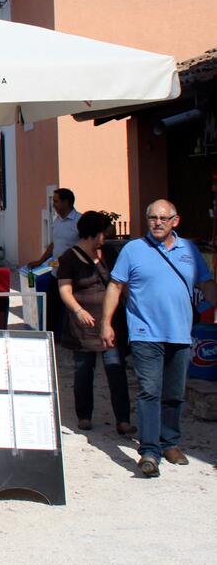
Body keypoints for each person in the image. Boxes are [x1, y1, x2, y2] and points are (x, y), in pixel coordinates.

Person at [102, 199, 217, 477]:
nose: (158, 222)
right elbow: (115, 287)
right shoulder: (133, 250)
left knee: (175, 394)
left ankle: (170, 443)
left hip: (180, 333)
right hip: (145, 333)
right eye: (153, 217)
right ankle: (150, 452)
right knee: (149, 390)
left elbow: (206, 284)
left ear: (175, 221)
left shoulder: (189, 250)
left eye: (164, 218)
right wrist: (106, 323)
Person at [55, 211, 133, 435]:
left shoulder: (109, 253)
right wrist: (78, 311)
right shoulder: (69, 258)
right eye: (102, 233)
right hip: (84, 325)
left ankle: (123, 419)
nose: (105, 238)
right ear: (92, 233)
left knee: (116, 369)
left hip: (110, 323)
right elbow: (65, 289)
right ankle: (84, 415)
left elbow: (120, 283)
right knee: (83, 370)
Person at [28, 188, 81, 270]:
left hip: (73, 275)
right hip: (56, 272)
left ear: (66, 202)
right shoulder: (57, 220)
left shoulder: (80, 221)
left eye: (56, 202)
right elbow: (54, 244)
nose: (53, 205)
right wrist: (40, 262)